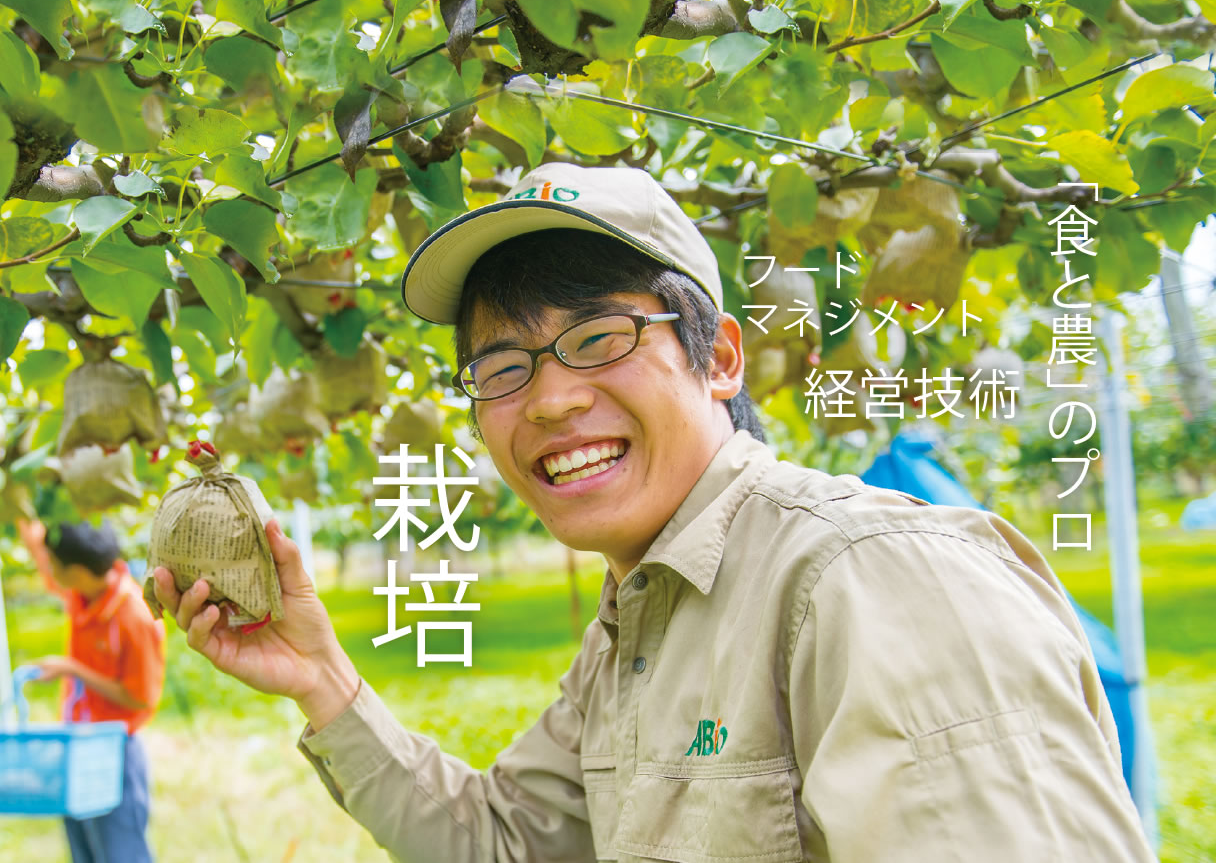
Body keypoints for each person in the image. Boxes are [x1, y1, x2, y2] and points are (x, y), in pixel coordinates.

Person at [151, 162, 1155, 861]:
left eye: (596, 338)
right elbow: (509, 844)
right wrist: (320, 679)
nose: (545, 401)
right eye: (501, 365)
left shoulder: (868, 578)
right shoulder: (643, 616)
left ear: (716, 357)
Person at [17, 516, 166, 863]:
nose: (47, 569)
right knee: (84, 853)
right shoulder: (81, 592)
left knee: (121, 854)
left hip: (114, 751)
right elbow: (38, 543)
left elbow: (139, 697)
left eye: (54, 565)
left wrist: (73, 670)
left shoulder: (134, 616)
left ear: (78, 571)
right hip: (76, 743)